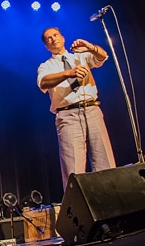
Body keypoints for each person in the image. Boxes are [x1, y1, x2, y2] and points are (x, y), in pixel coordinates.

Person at [37, 26, 115, 191]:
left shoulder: (80, 56)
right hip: (68, 115)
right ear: (46, 46)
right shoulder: (46, 66)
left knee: (104, 160)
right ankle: (78, 204)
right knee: (73, 167)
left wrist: (90, 47)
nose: (53, 39)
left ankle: (110, 200)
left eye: (55, 35)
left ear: (63, 38)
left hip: (92, 109)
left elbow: (102, 56)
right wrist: (68, 73)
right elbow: (43, 82)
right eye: (49, 38)